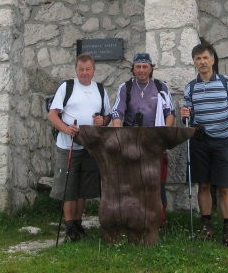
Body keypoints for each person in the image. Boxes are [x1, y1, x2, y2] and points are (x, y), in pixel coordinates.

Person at [180, 42, 228, 247]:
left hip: (222, 140)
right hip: (200, 141)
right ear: (194, 63)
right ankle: (206, 227)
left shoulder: (226, 83)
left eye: (205, 58)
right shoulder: (190, 87)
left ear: (213, 60)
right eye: (198, 59)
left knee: (224, 186)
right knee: (203, 185)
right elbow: (186, 116)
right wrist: (184, 115)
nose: (202, 62)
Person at [47, 53, 110, 242]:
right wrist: (66, 129)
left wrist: (102, 120)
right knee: (69, 187)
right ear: (76, 70)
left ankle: (77, 223)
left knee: (84, 188)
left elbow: (107, 116)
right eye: (81, 69)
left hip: (89, 146)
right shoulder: (67, 87)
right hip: (68, 146)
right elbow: (52, 115)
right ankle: (69, 226)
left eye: (88, 69)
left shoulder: (100, 89)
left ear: (93, 70)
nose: (84, 73)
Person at [110, 52, 175, 224]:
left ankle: (158, 219)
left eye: (145, 66)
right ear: (133, 69)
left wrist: (164, 134)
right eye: (138, 67)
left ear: (151, 68)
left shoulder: (161, 87)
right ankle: (133, 218)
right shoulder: (126, 88)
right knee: (132, 181)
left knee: (156, 181)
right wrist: (118, 135)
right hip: (132, 140)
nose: (141, 70)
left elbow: (170, 113)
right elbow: (117, 111)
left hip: (155, 141)